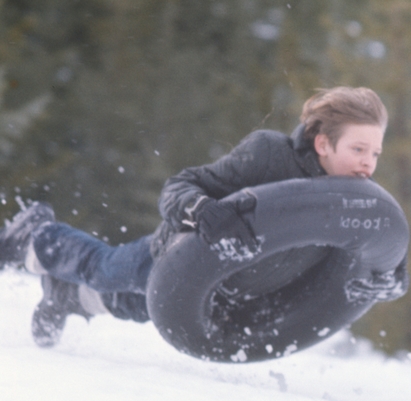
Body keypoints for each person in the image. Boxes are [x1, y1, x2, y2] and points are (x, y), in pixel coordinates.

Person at [0, 86, 390, 347]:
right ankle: (37, 235)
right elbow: (179, 186)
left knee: (141, 309)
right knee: (106, 268)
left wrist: (388, 278)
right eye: (359, 149)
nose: (368, 164)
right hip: (183, 253)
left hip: (232, 289)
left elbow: (371, 258)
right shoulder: (269, 155)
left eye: (375, 153)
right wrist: (203, 211)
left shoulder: (356, 209)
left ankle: (66, 297)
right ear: (323, 143)